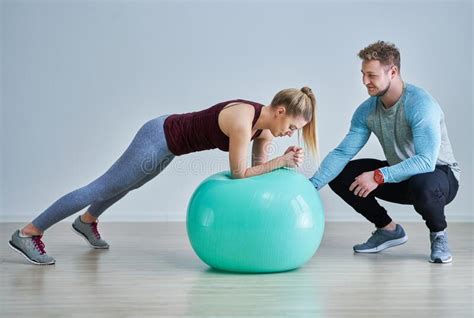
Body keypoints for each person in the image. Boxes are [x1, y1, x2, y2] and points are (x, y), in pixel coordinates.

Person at [9, 87, 318, 265]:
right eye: (292, 125)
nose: (291, 132)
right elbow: (239, 175)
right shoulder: (242, 120)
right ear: (279, 110)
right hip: (157, 137)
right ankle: (28, 233)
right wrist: (280, 162)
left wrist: (279, 161)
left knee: (129, 183)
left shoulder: (262, 129)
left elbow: (256, 173)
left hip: (172, 148)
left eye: (296, 131)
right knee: (103, 185)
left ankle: (86, 222)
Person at [310, 41, 460, 264]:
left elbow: (426, 162)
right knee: (341, 174)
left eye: (371, 75)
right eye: (363, 74)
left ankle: (439, 234)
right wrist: (310, 187)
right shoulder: (367, 110)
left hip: (439, 176)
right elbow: (342, 153)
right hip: (400, 175)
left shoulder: (421, 104)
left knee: (423, 183)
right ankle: (388, 229)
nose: (364, 81)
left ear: (393, 71)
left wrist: (378, 176)